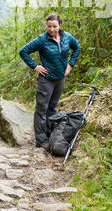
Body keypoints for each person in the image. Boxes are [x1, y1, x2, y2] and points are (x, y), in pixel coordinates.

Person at [19, 13, 81, 151]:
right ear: (46, 26)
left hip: (60, 79)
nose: (52, 29)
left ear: (60, 25)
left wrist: (70, 66)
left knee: (52, 108)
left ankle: (49, 134)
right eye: (49, 26)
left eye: (55, 26)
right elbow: (23, 51)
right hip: (46, 80)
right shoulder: (42, 40)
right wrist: (36, 66)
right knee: (42, 109)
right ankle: (41, 140)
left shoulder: (67, 37)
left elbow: (77, 47)